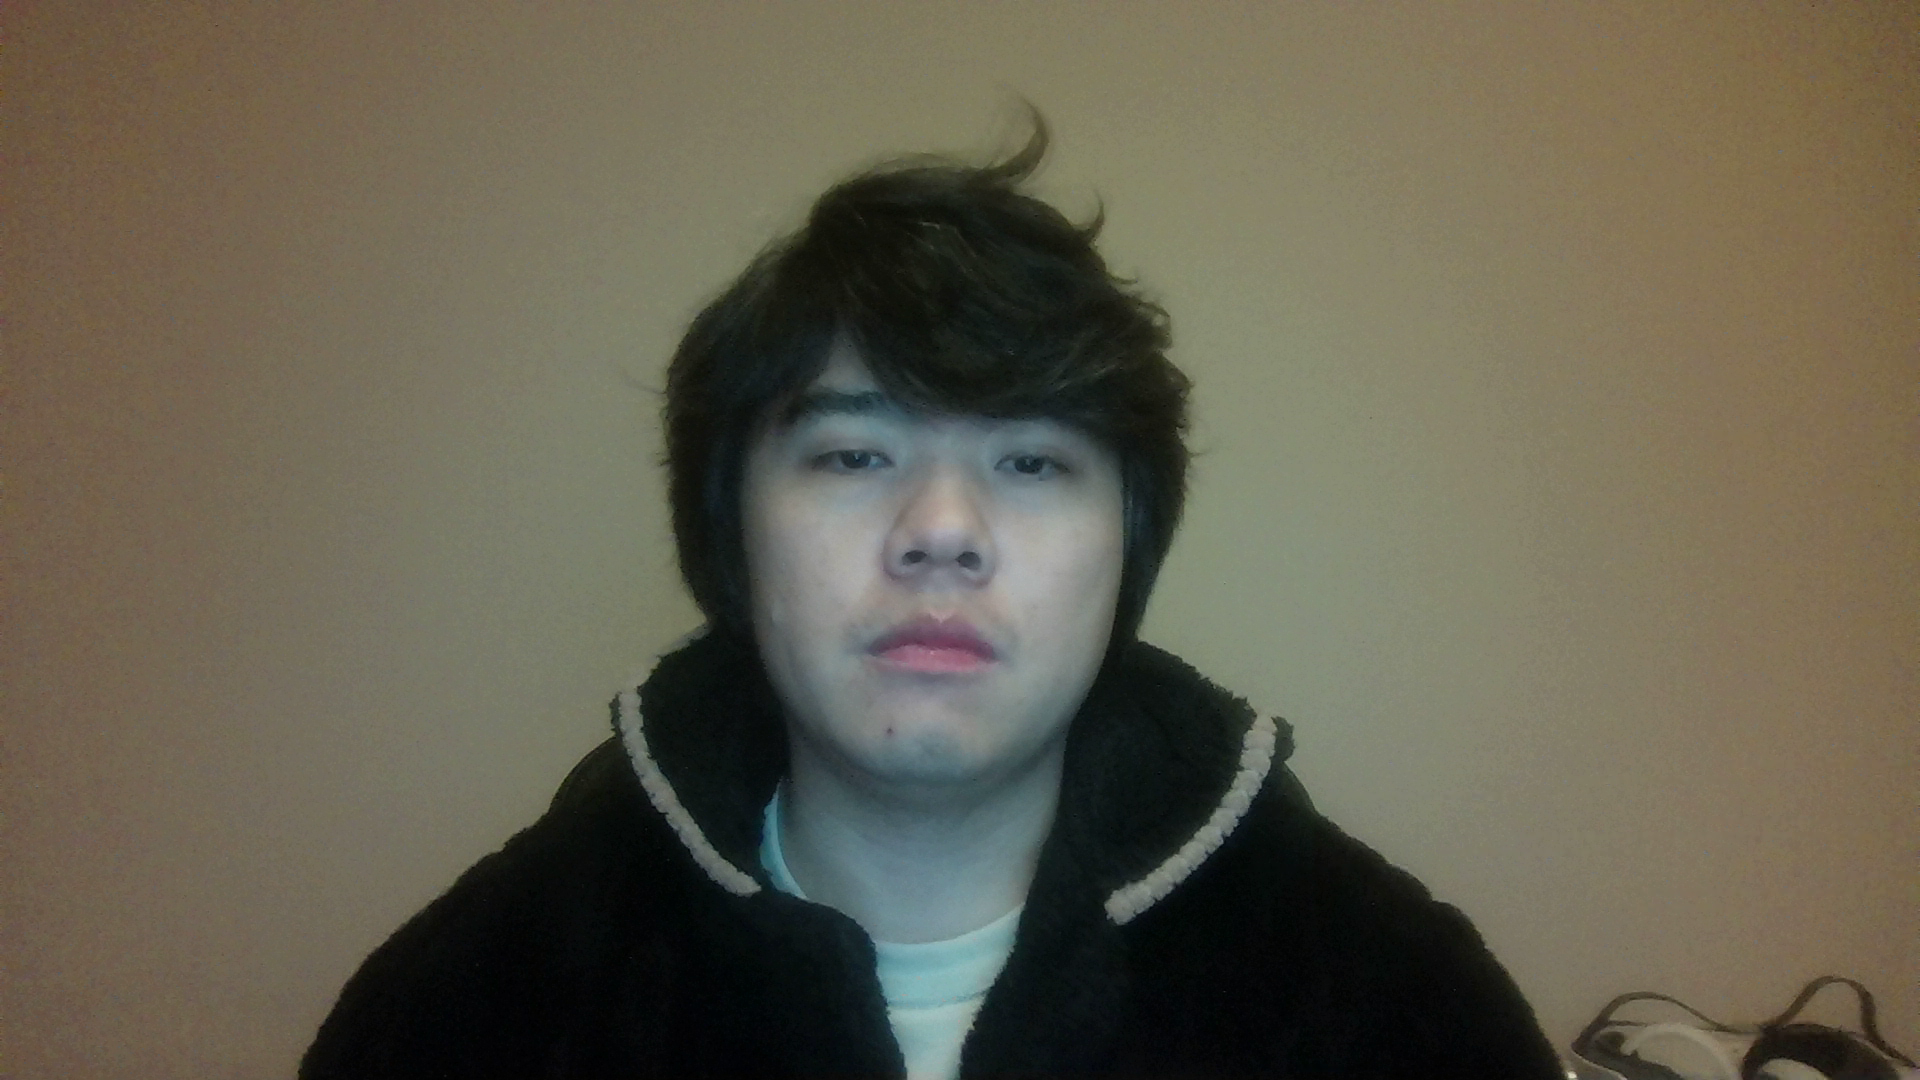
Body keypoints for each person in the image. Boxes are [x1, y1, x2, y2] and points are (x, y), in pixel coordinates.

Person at [301, 120, 1565, 1079]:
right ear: (729, 534)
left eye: (1033, 463)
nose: (944, 533)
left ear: (1128, 546)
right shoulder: (471, 1009)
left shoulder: (1394, 1007)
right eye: (855, 454)